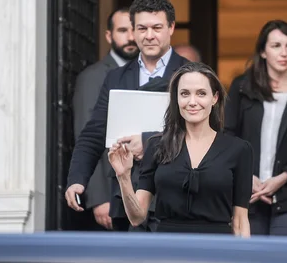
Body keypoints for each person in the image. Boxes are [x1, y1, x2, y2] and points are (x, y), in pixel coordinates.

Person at [65, 0, 190, 232]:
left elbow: (205, 133)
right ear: (133, 30)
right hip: (127, 200)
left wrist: (147, 142)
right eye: (142, 28)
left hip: (177, 201)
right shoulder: (116, 77)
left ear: (171, 28)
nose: (149, 35)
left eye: (157, 27)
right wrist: (77, 179)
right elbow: (93, 132)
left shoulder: (191, 73)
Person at [108, 62, 252, 236]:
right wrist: (123, 177)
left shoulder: (239, 150)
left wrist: (243, 261)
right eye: (185, 94)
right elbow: (137, 217)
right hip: (168, 249)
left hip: (217, 249)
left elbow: (240, 220)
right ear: (176, 98)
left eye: (201, 93)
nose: (192, 102)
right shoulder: (156, 145)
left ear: (214, 98)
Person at [225, 20, 287, 236]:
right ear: (262, 51)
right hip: (248, 192)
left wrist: (281, 179)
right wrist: (247, 176)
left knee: (284, 259)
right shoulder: (242, 87)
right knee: (252, 261)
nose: (284, 53)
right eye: (276, 46)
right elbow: (228, 134)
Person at [72, 7, 138, 231]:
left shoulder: (149, 73)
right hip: (111, 192)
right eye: (122, 30)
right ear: (109, 36)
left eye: (134, 29)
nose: (130, 37)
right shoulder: (94, 76)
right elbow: (87, 135)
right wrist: (99, 198)